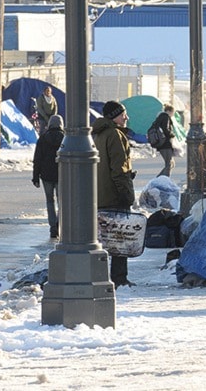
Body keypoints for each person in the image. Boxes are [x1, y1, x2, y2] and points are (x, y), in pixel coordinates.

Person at [93, 100, 136, 288]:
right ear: (113, 117)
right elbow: (119, 169)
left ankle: (102, 275)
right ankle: (119, 278)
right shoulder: (116, 135)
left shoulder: (99, 135)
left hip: (101, 194)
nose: (126, 117)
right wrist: (126, 194)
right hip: (114, 195)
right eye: (122, 114)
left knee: (104, 238)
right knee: (119, 239)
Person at [32, 115, 65, 239]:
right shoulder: (65, 139)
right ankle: (59, 223)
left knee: (49, 201)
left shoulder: (43, 139)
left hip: (46, 175)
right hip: (61, 175)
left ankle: (52, 227)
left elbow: (37, 159)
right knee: (62, 202)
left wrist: (35, 177)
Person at [152, 104, 176, 177]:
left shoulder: (160, 117)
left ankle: (159, 179)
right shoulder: (165, 117)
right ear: (169, 111)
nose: (173, 114)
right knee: (169, 164)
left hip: (162, 143)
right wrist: (172, 134)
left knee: (171, 164)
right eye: (173, 112)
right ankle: (162, 180)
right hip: (165, 144)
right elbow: (166, 130)